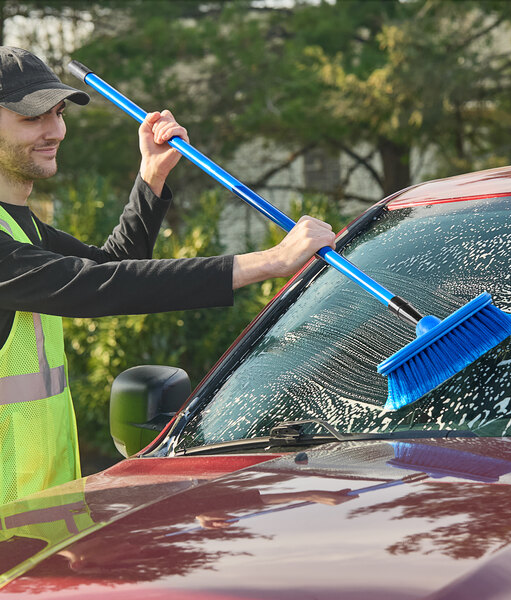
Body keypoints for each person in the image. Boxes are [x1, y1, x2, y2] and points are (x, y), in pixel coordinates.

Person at [0, 47, 336, 504]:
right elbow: (95, 289)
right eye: (31, 118)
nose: (55, 130)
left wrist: (151, 177)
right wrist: (270, 261)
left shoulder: (19, 225)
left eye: (57, 114)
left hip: (38, 520)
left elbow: (109, 268)